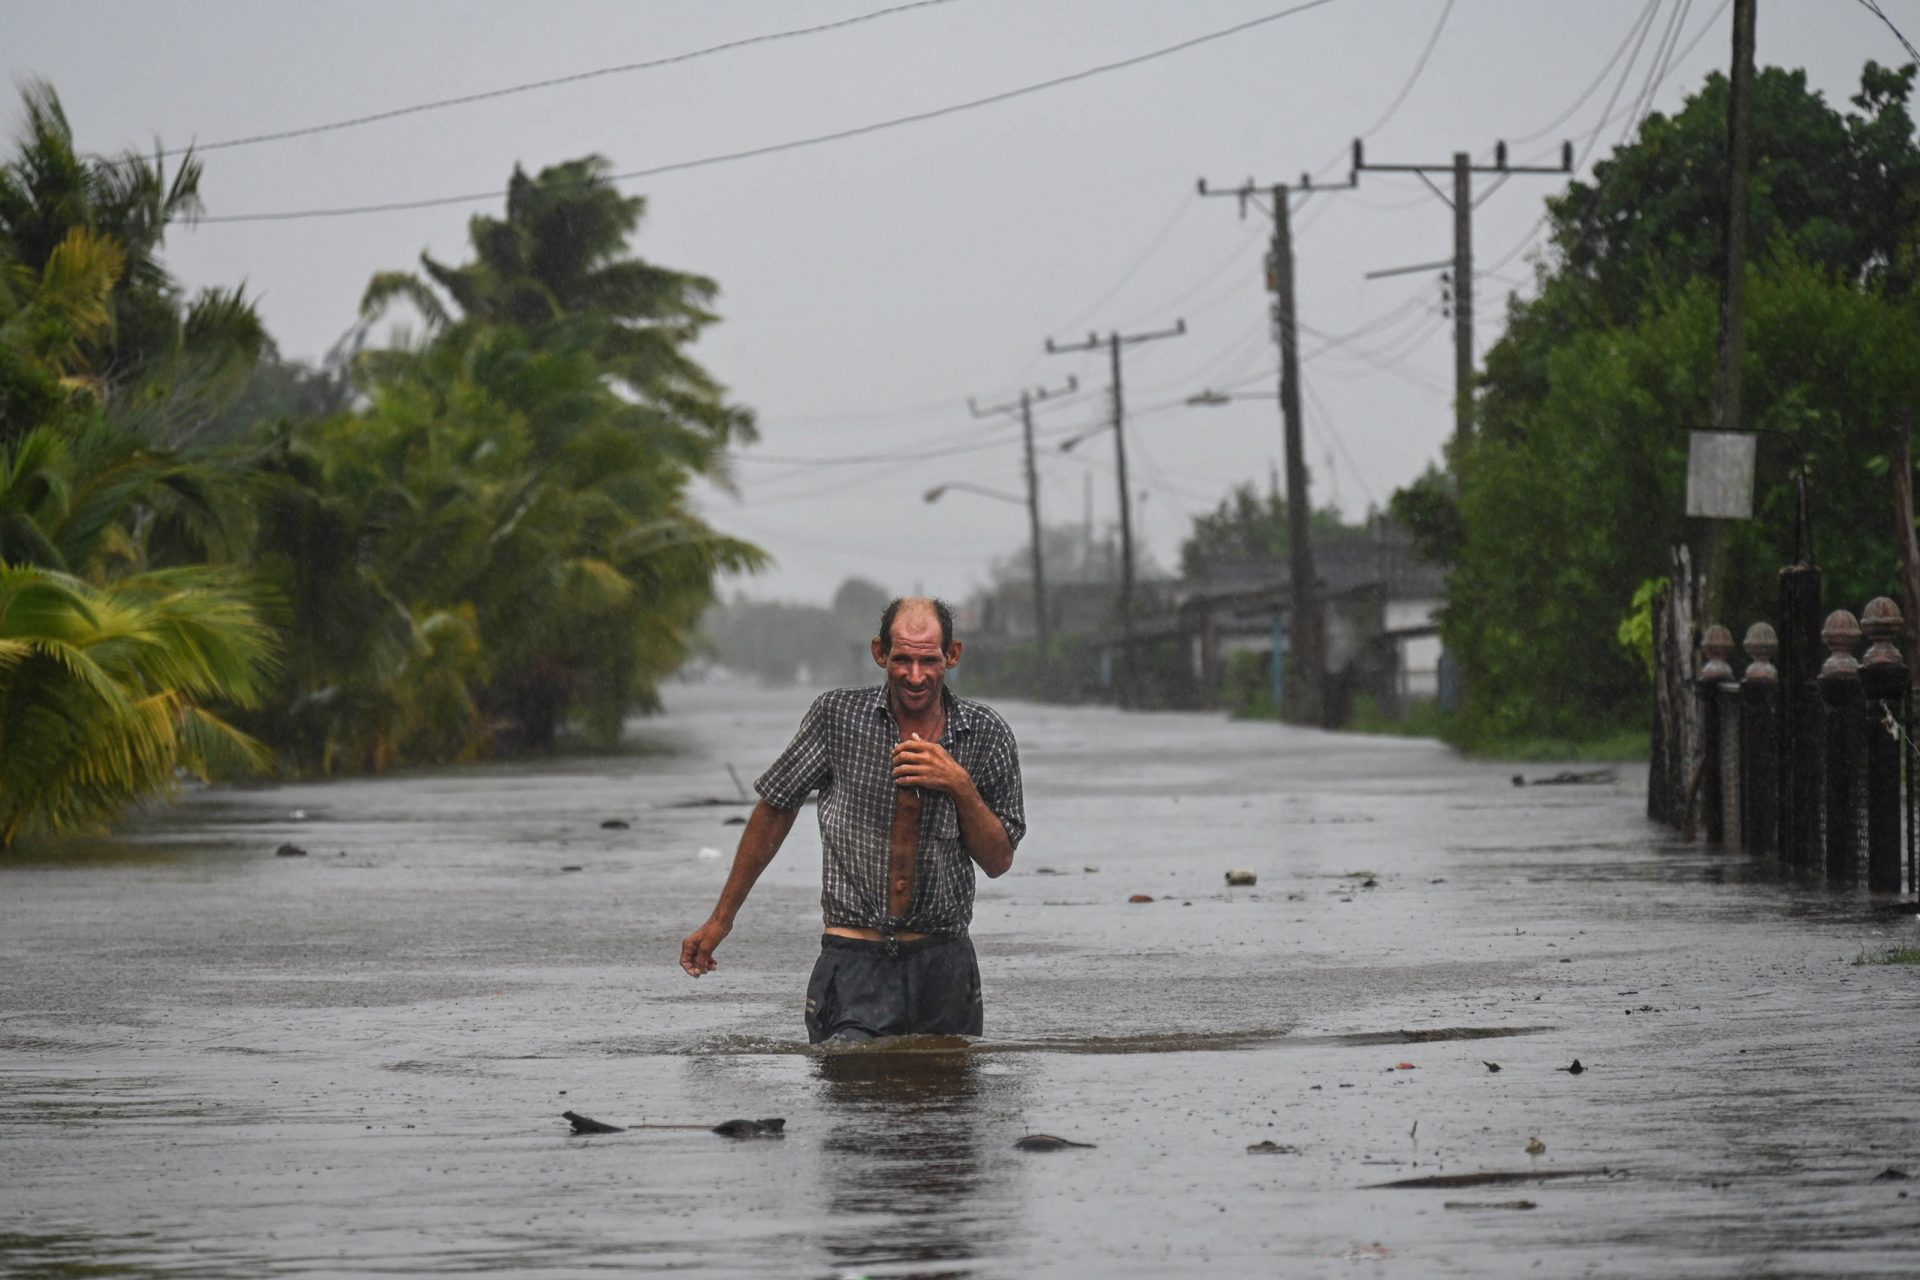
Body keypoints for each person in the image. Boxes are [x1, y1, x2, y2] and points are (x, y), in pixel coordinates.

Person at [679, 596, 1025, 1042]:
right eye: (902, 659)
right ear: (879, 653)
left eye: (928, 660)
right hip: (854, 957)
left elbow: (999, 861)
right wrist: (721, 919)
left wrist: (959, 785)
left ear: (952, 655)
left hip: (944, 963)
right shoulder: (837, 717)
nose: (915, 676)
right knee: (850, 1096)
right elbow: (775, 809)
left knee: (946, 1103)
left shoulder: (986, 733)